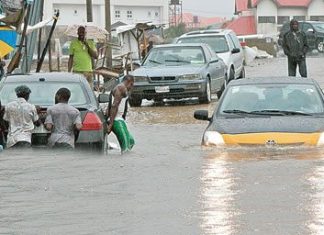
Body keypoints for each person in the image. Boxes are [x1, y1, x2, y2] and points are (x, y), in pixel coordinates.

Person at [106, 75, 135, 153]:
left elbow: (110, 105)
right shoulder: (121, 88)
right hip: (116, 120)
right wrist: (111, 124)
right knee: (126, 149)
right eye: (132, 85)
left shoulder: (121, 88)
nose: (131, 88)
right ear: (130, 83)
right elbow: (114, 105)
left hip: (119, 119)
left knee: (131, 141)